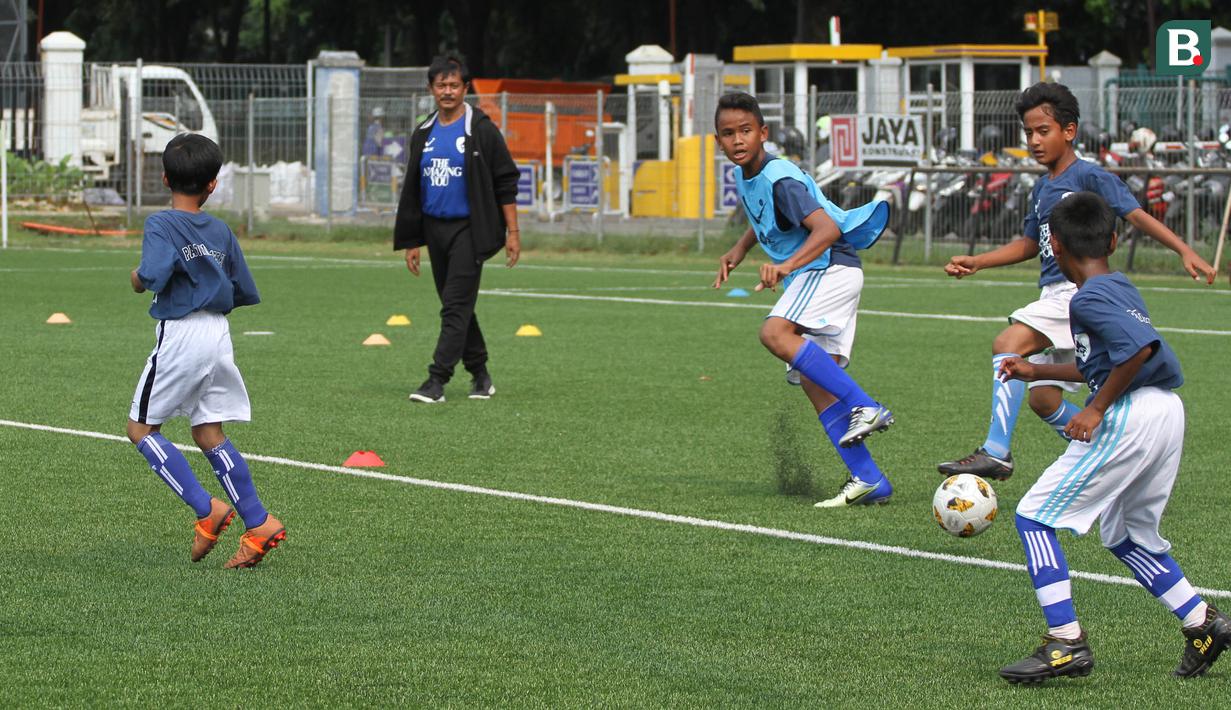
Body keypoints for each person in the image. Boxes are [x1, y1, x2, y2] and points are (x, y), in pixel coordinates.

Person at [995, 191, 1229, 684]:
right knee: (1124, 535)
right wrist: (1034, 369)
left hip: (1132, 413)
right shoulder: (1118, 286)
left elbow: (1138, 350)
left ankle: (1066, 642)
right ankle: (1203, 623)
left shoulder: (1090, 297)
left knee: (1034, 517)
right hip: (1165, 411)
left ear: (1053, 247)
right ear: (1115, 239)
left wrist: (1096, 410)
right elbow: (1102, 362)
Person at [938, 82, 1215, 481]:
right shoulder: (1040, 187)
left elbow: (1135, 214)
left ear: (1069, 131)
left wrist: (1183, 250)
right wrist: (979, 261)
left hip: (1078, 293)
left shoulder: (1089, 175)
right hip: (1055, 293)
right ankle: (1115, 459)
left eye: (1043, 131)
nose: (1034, 140)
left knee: (1008, 344)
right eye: (1029, 133)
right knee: (1043, 398)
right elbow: (1030, 244)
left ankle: (996, 453)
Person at [711, 92, 896, 508]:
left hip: (828, 266)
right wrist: (740, 250)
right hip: (828, 270)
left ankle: (866, 406)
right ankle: (869, 478)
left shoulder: (782, 178)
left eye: (745, 131)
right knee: (814, 380)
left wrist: (784, 265)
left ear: (763, 133)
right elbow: (762, 215)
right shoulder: (747, 173)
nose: (738, 140)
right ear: (718, 140)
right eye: (728, 133)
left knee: (774, 333)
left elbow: (826, 229)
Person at [125, 133, 285, 569]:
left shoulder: (161, 223)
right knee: (207, 431)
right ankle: (259, 521)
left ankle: (206, 508)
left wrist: (137, 277)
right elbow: (242, 289)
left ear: (164, 178)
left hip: (182, 333)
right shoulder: (221, 230)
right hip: (219, 334)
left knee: (141, 429)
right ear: (213, 184)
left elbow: (154, 274)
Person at [394, 55, 520, 403]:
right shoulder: (423, 132)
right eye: (441, 85)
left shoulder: (481, 130)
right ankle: (480, 375)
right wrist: (413, 240)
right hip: (435, 231)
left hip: (470, 230)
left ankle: (437, 381)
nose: (447, 91)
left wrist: (513, 233)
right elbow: (415, 189)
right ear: (431, 89)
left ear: (466, 88)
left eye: (454, 85)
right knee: (457, 306)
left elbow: (506, 181)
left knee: (453, 305)